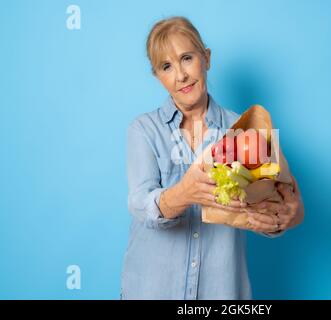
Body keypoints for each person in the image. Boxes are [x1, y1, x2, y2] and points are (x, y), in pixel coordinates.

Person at [121, 16, 304, 300]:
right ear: (158, 76)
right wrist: (184, 192)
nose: (180, 75)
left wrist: (284, 216)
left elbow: (268, 206)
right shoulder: (143, 130)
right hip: (151, 290)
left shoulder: (245, 129)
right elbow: (140, 204)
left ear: (206, 58)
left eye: (187, 58)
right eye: (166, 66)